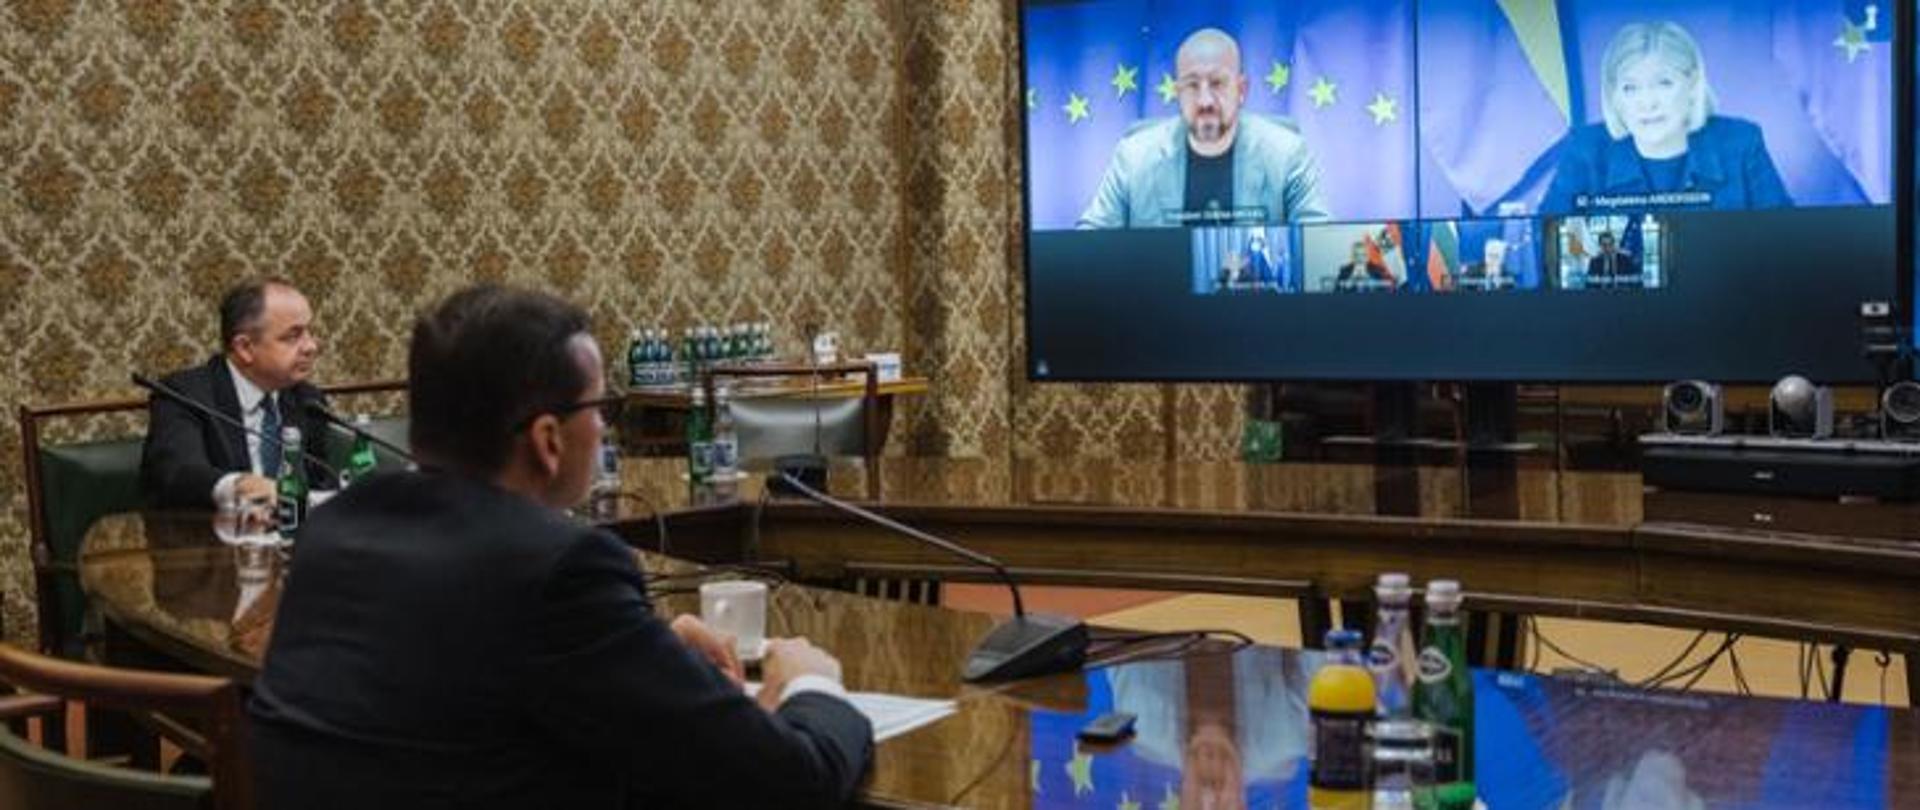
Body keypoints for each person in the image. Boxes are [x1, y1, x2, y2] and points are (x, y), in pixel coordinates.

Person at [247, 285, 873, 809]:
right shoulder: (558, 566)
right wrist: (811, 688)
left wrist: (639, 645)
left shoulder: (338, 527)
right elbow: (788, 784)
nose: (602, 424)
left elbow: (455, 674)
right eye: (599, 407)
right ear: (548, 439)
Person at [1078, 28, 1329, 229]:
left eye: (1218, 83)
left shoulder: (1286, 153)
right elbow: (1089, 243)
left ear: (1241, 90)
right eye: (1192, 85)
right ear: (1177, 92)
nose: (1205, 100)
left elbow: (1318, 243)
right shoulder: (1133, 157)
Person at [1540, 21, 1790, 215]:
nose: (1647, 103)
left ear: (1692, 85)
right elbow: (1548, 246)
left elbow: (1784, 240)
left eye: (1664, 83)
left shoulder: (1741, 142)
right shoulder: (1586, 149)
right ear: (1614, 95)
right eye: (1630, 88)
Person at [140, 277, 333, 509]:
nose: (311, 346)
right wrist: (241, 486)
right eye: (293, 336)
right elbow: (178, 472)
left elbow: (320, 481)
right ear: (244, 348)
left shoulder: (306, 399)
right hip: (209, 540)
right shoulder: (184, 395)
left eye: (309, 332)